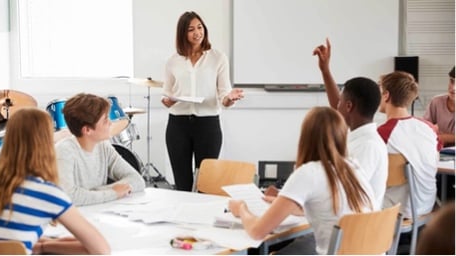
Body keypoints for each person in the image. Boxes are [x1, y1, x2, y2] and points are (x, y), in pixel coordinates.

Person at [229, 107, 376, 255]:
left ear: (306, 137)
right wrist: (285, 205)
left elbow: (257, 232)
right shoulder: (353, 167)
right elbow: (329, 208)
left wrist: (241, 208)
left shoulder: (309, 173)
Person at [0, 108, 110, 254]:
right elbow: (101, 250)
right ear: (46, 144)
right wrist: (44, 246)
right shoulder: (47, 193)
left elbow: (0, 236)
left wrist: (45, 243)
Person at [161, 11, 244, 191]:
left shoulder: (218, 58)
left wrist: (229, 99)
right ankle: (182, 219)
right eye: (191, 29)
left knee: (205, 184)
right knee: (182, 184)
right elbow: (167, 93)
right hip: (178, 125)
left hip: (207, 125)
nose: (197, 33)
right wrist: (168, 101)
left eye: (200, 27)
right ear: (182, 33)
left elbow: (224, 96)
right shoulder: (172, 61)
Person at [312, 38, 388, 208]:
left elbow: (342, 193)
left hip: (353, 229)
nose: (336, 106)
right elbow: (338, 105)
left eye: (341, 102)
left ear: (349, 106)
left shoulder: (367, 146)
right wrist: (325, 71)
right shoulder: (358, 133)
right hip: (347, 221)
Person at [56, 93, 145, 206]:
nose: (110, 123)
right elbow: (68, 197)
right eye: (105, 120)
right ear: (87, 130)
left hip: (96, 211)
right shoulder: (64, 151)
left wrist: (92, 193)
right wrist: (113, 193)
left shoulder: (103, 146)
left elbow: (137, 180)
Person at [378, 71, 442, 217]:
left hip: (395, 210)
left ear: (386, 95)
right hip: (426, 207)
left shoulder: (382, 133)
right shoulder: (429, 128)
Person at [423, 66, 455, 147]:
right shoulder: (437, 102)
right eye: (452, 81)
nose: (453, 88)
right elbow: (424, 129)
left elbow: (438, 137)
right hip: (441, 152)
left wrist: (444, 137)